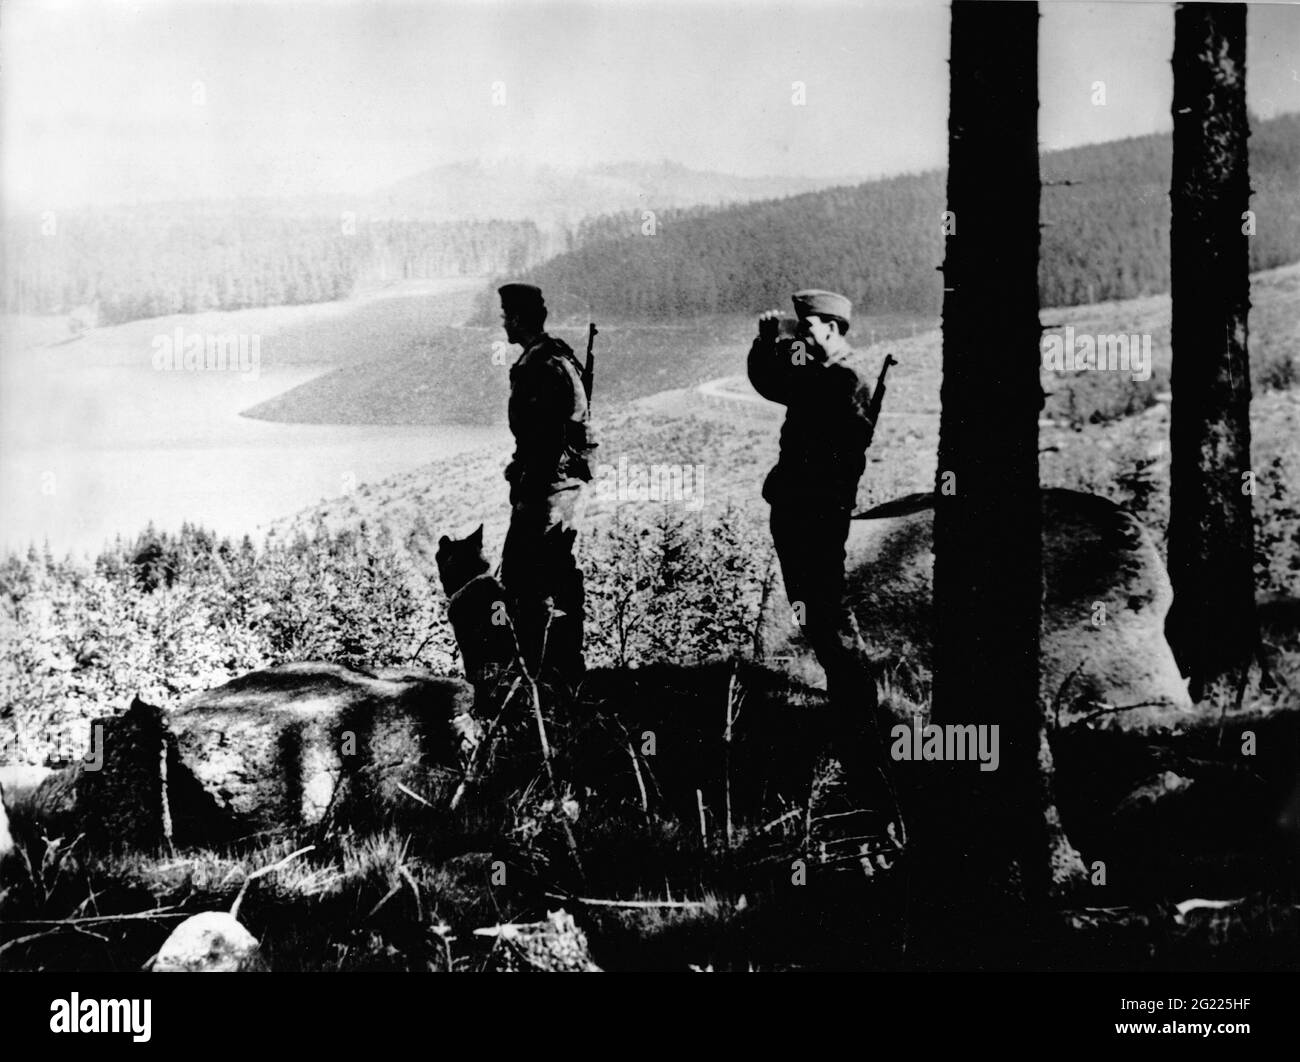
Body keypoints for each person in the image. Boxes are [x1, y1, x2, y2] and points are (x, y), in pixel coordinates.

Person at [748, 289, 889, 827]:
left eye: (807, 327)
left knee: (831, 623)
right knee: (819, 623)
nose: (799, 335)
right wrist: (765, 344)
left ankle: (862, 740)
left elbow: (841, 460)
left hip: (816, 519)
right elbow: (771, 383)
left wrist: (801, 491)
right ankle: (852, 720)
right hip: (796, 513)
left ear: (832, 327)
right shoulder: (818, 375)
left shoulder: (847, 384)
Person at [496, 283, 595, 689]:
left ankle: (546, 674)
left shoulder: (545, 363)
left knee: (528, 578)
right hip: (551, 485)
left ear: (519, 318)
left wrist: (527, 476)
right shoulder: (547, 358)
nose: (504, 323)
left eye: (507, 316)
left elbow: (551, 435)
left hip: (550, 490)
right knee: (545, 574)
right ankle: (557, 671)